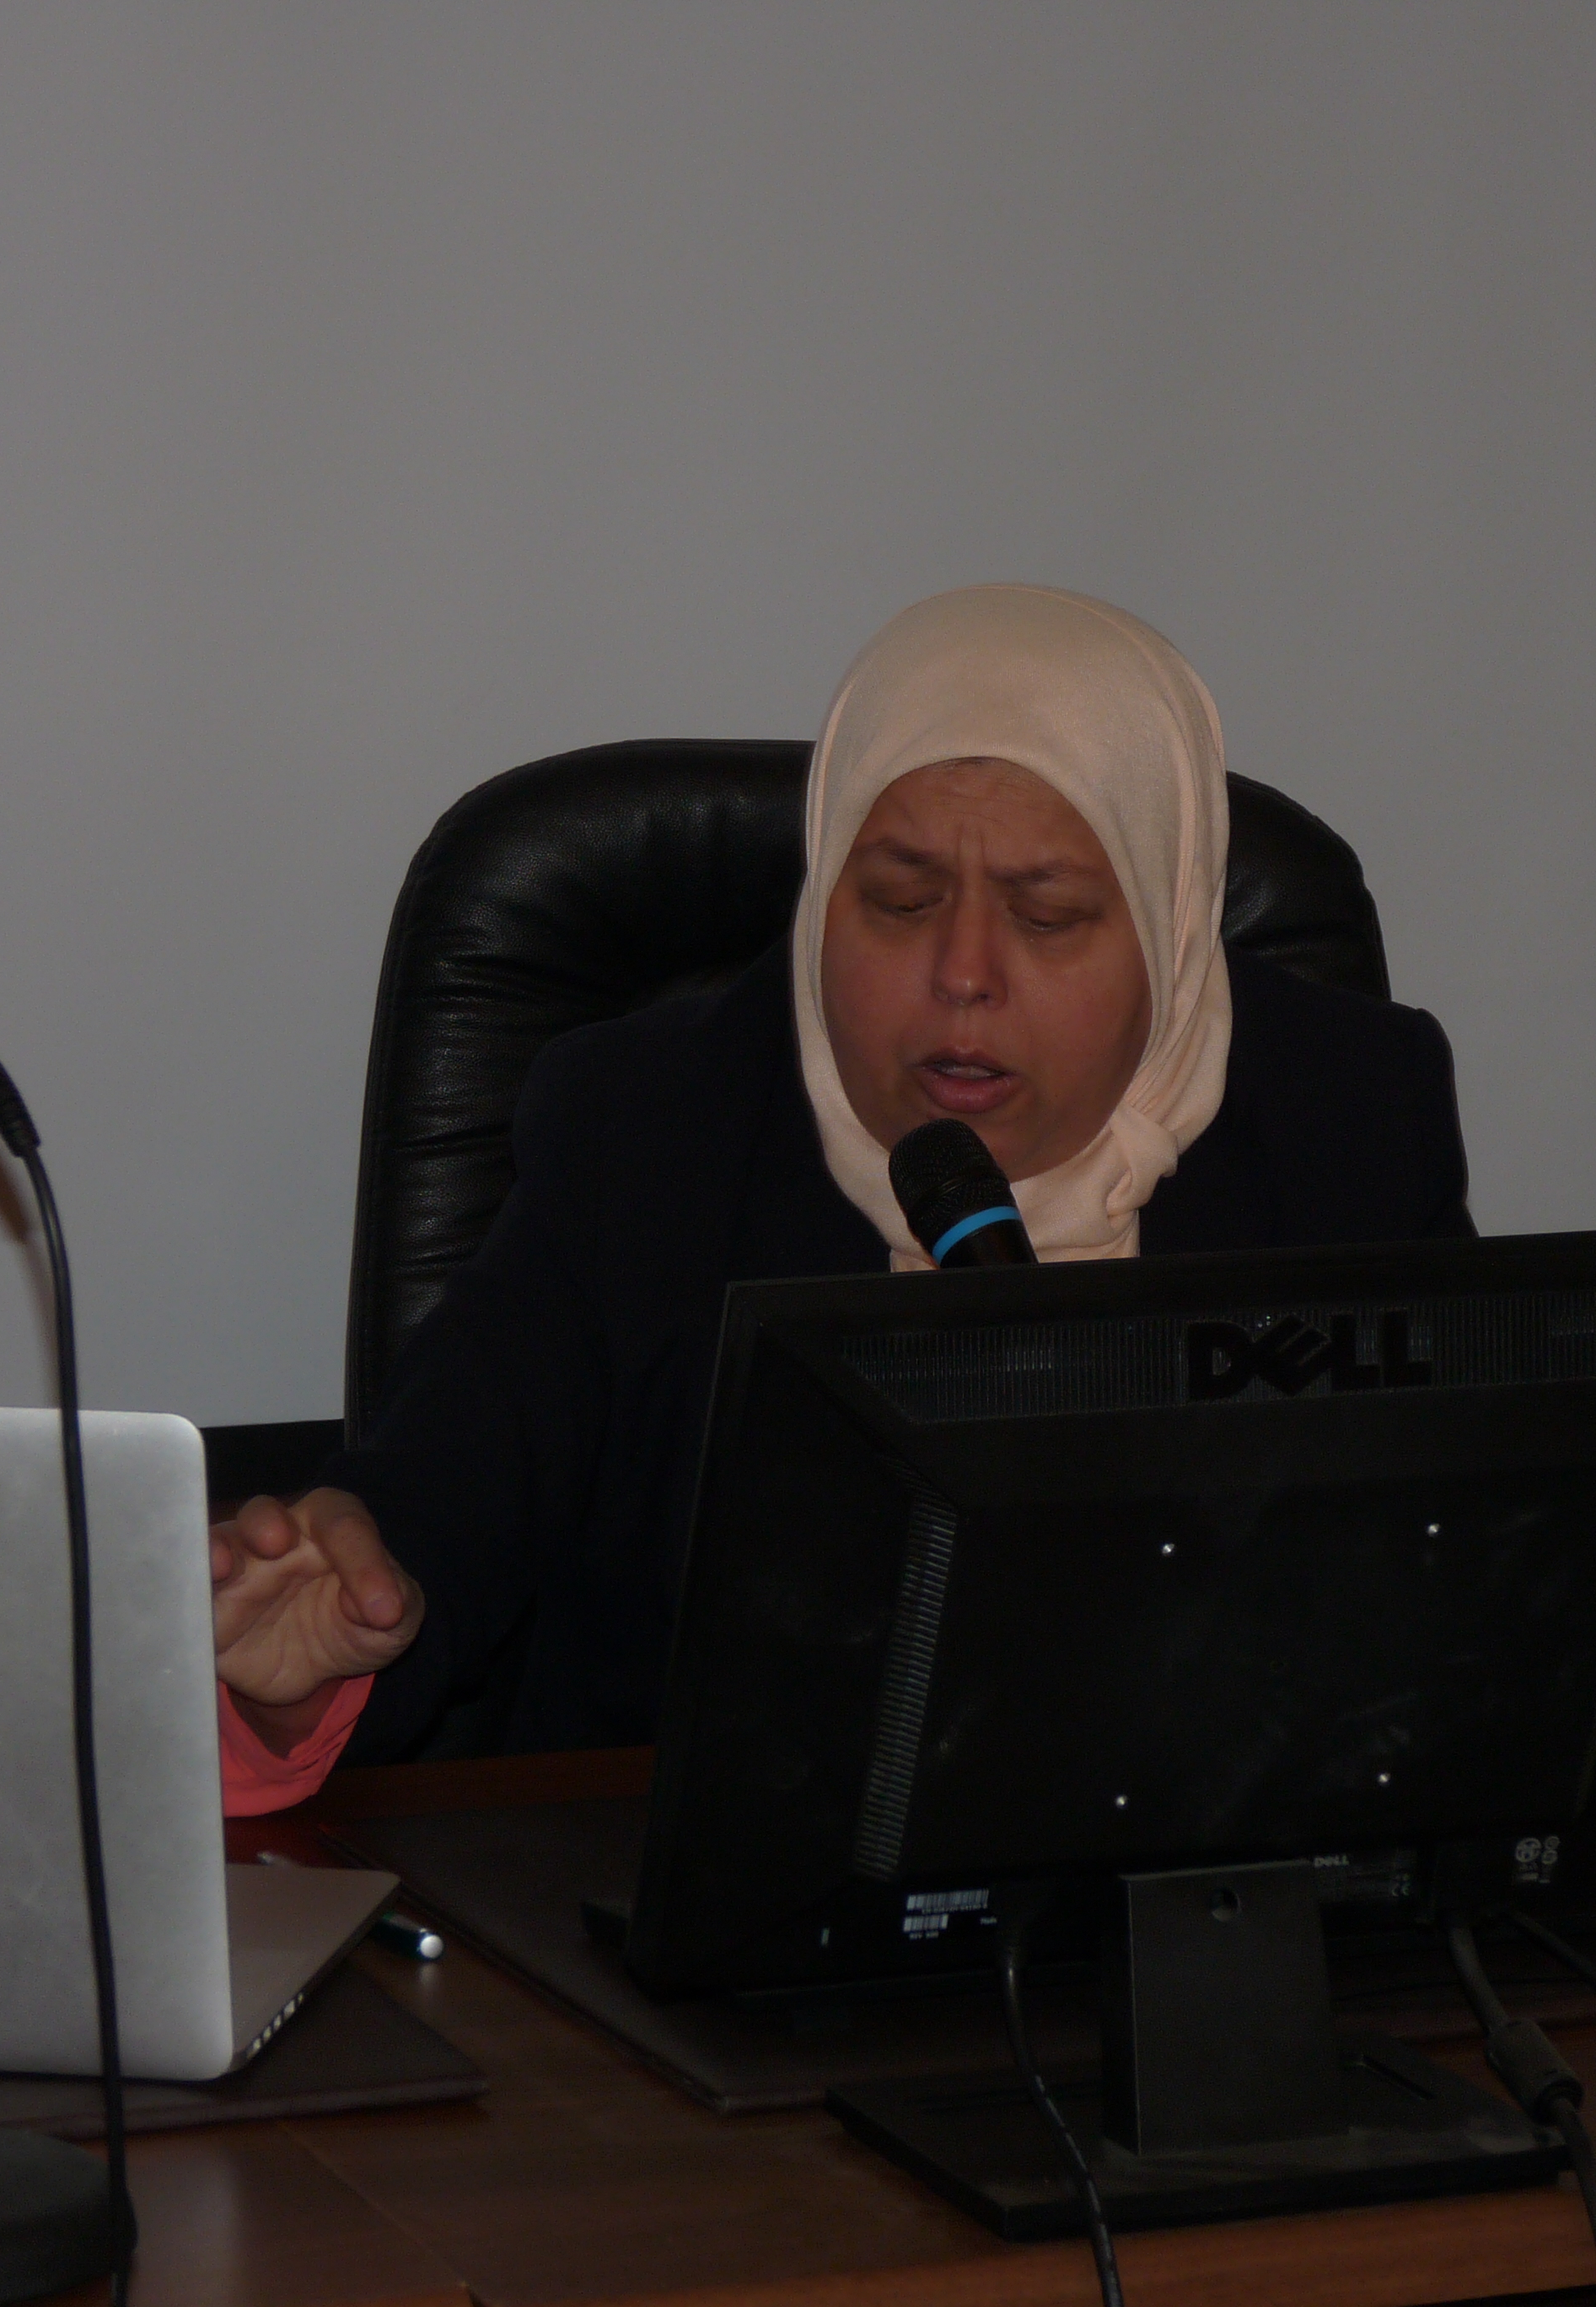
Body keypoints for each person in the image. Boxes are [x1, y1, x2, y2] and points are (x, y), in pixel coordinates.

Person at [209, 584, 1475, 1812]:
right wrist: (299, 1677)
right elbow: (441, 1502)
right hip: (717, 1894)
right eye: (899, 902)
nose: (963, 974)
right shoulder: (654, 1128)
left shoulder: (1345, 1116)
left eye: (1049, 917)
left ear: (1170, 926)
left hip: (1219, 1883)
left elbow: (1474, 1560)